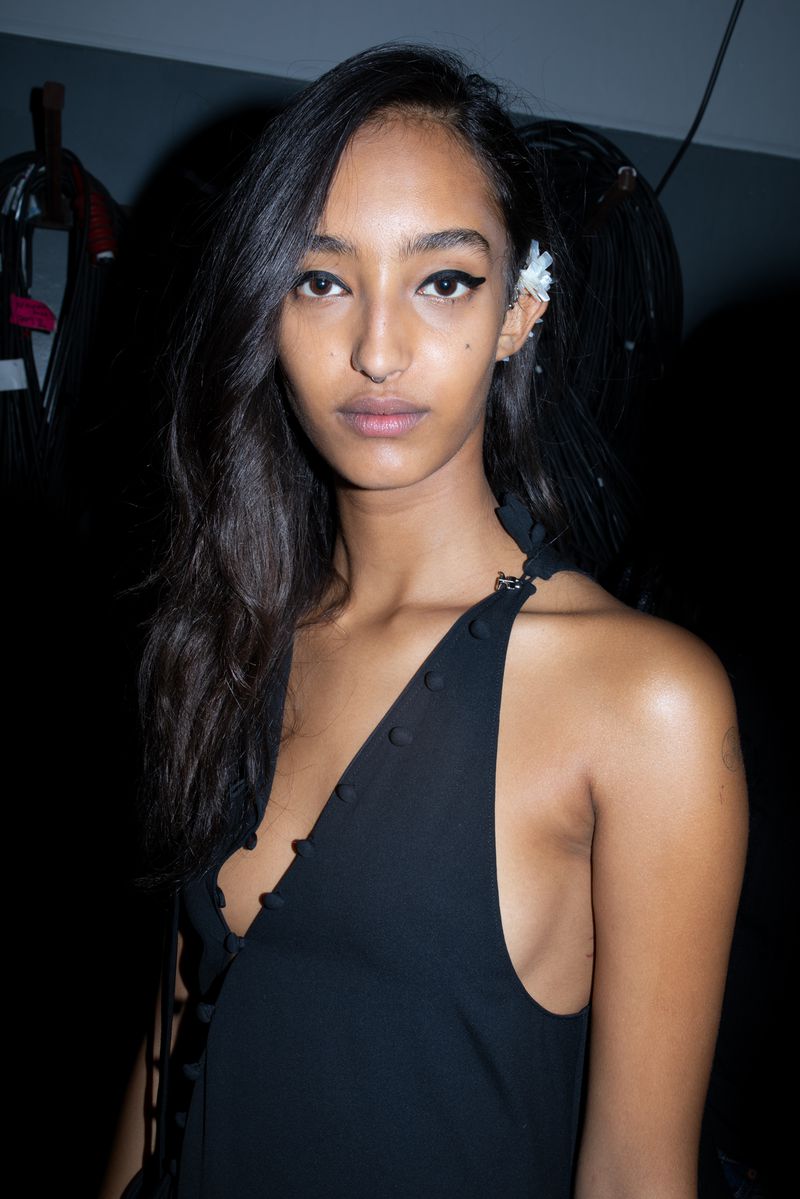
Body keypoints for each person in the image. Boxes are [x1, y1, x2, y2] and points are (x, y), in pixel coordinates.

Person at [98, 42, 749, 1199]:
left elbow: (635, 1172)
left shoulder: (639, 698)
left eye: (441, 279)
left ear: (518, 310)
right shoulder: (236, 632)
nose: (377, 350)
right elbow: (176, 1031)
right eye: (320, 279)